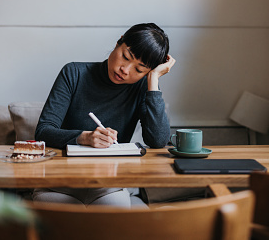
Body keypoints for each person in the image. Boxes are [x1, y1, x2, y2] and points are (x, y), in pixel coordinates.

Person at [33, 23, 176, 207]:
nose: (125, 70)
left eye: (139, 70)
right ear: (119, 42)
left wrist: (153, 80)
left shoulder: (141, 87)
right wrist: (83, 137)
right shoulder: (74, 73)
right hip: (60, 181)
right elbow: (43, 131)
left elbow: (158, 141)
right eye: (126, 57)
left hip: (109, 183)